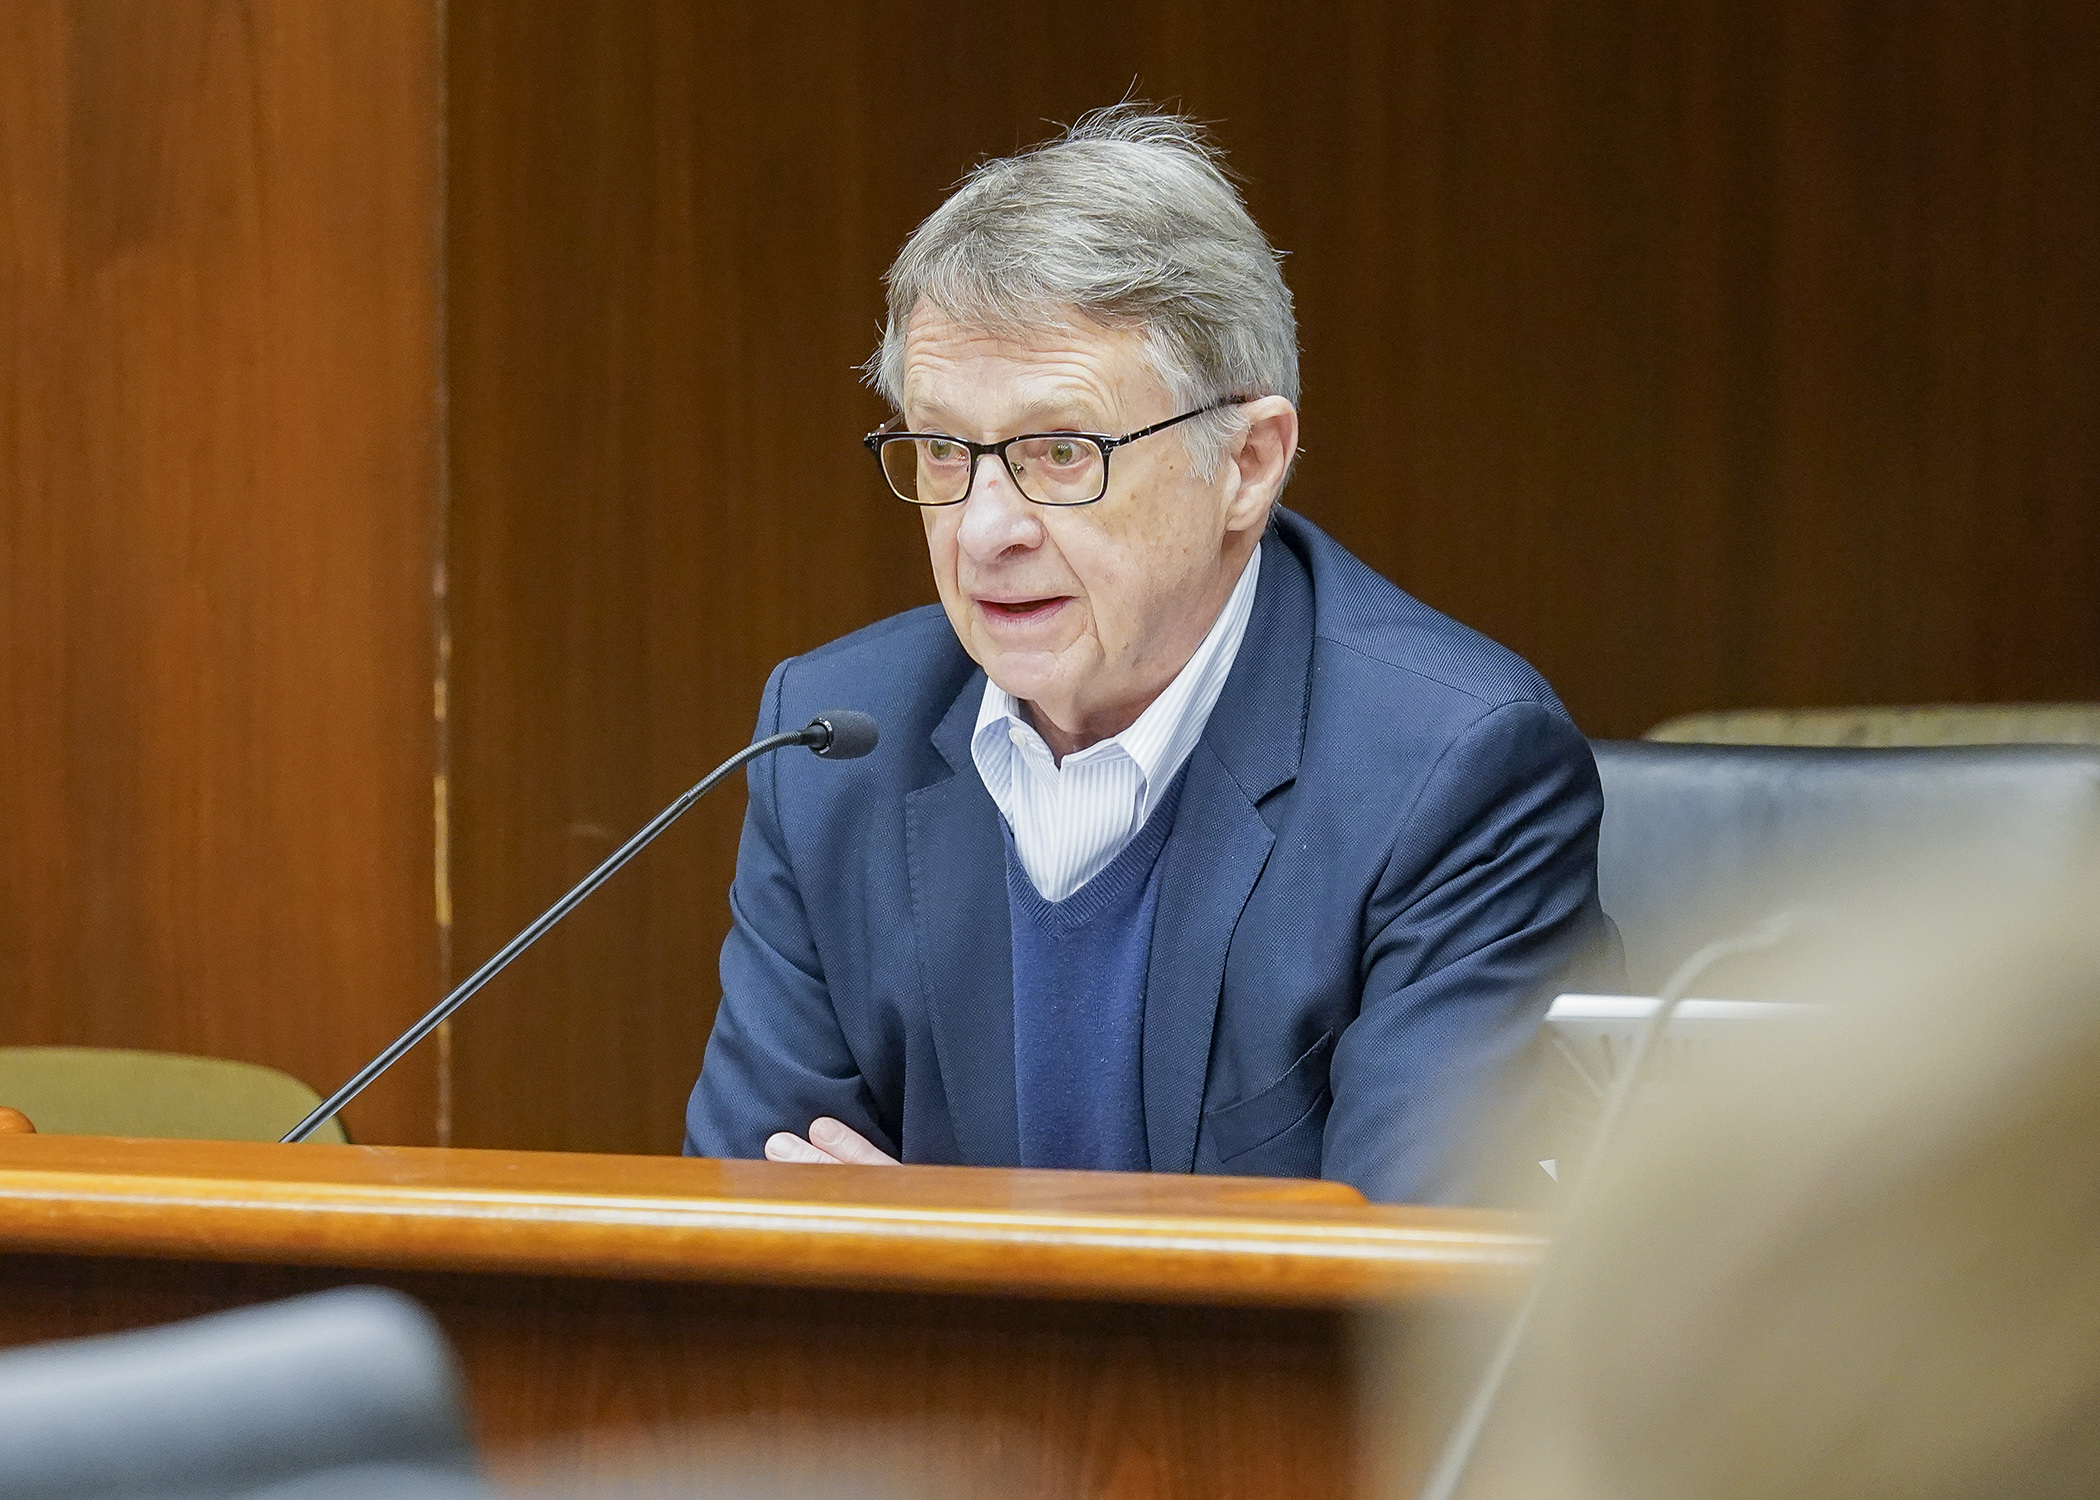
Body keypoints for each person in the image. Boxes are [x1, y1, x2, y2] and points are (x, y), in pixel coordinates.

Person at [683, 107, 1614, 1203]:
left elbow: (1401, 1308)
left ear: (1249, 464)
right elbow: (752, 1257)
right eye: (943, 450)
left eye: (1059, 452)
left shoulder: (1447, 771)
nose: (986, 529)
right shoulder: (833, 742)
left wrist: (949, 1256)